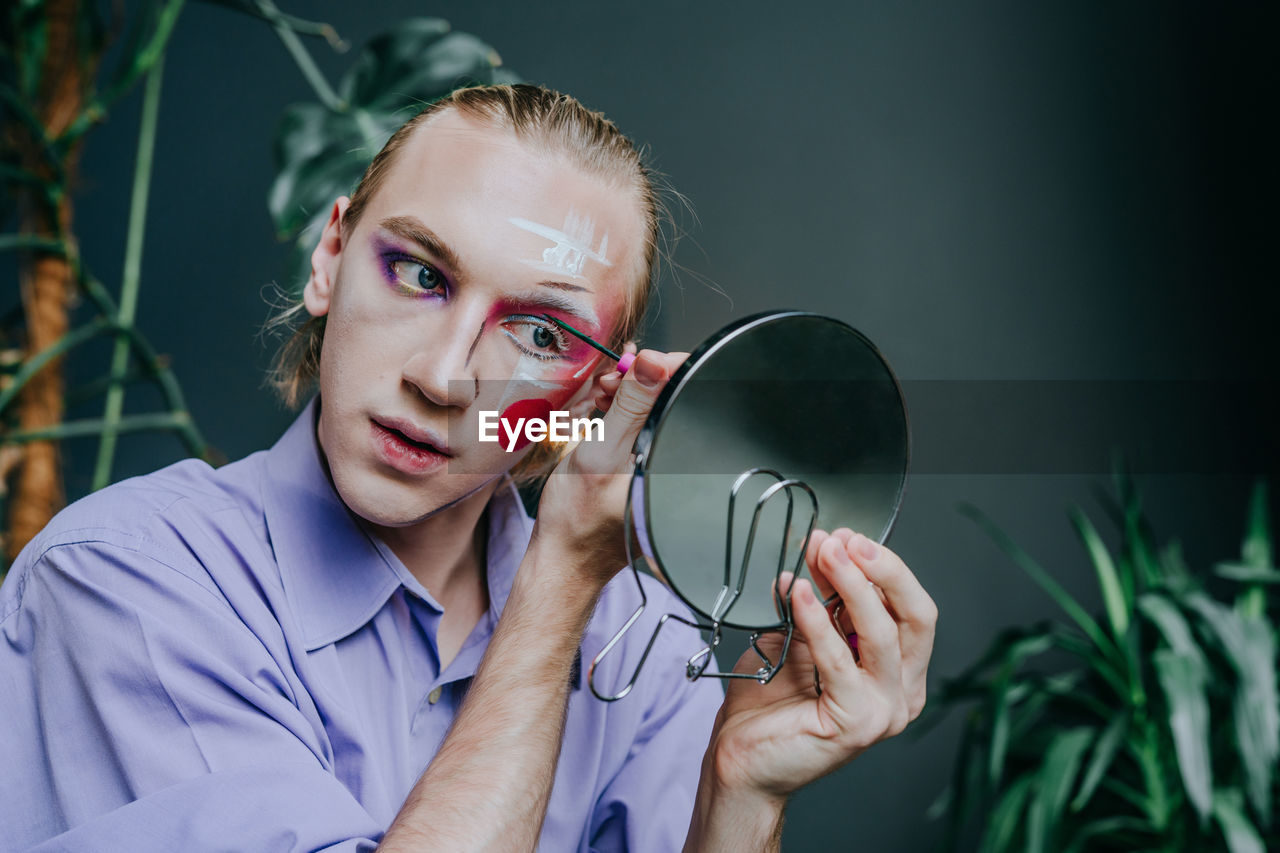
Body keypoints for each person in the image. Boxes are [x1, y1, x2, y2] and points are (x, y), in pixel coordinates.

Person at [0, 84, 937, 852]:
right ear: (330, 258)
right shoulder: (123, 581)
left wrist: (739, 796)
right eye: (419, 274)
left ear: (597, 389)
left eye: (539, 331)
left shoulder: (639, 642)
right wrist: (558, 585)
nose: (445, 375)